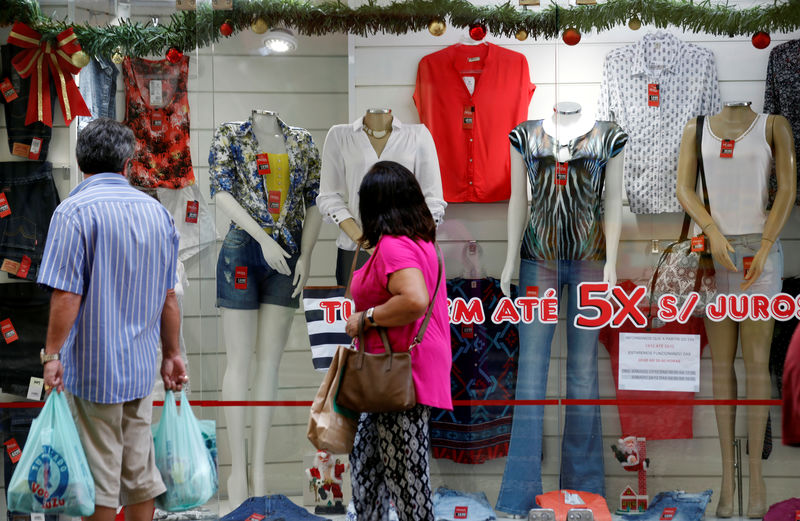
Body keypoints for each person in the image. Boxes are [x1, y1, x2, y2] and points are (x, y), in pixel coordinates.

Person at [37, 117, 187, 521]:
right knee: (140, 475)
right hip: (140, 371)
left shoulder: (72, 212)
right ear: (128, 162)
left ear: (81, 162)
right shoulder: (156, 214)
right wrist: (172, 354)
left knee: (99, 479)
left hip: (92, 371)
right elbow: (168, 296)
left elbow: (66, 295)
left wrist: (51, 354)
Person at [344, 161, 452, 521]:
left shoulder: (394, 247)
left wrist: (366, 318)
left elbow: (415, 299)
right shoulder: (421, 243)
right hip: (392, 374)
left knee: (406, 479)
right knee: (367, 468)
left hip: (397, 374)